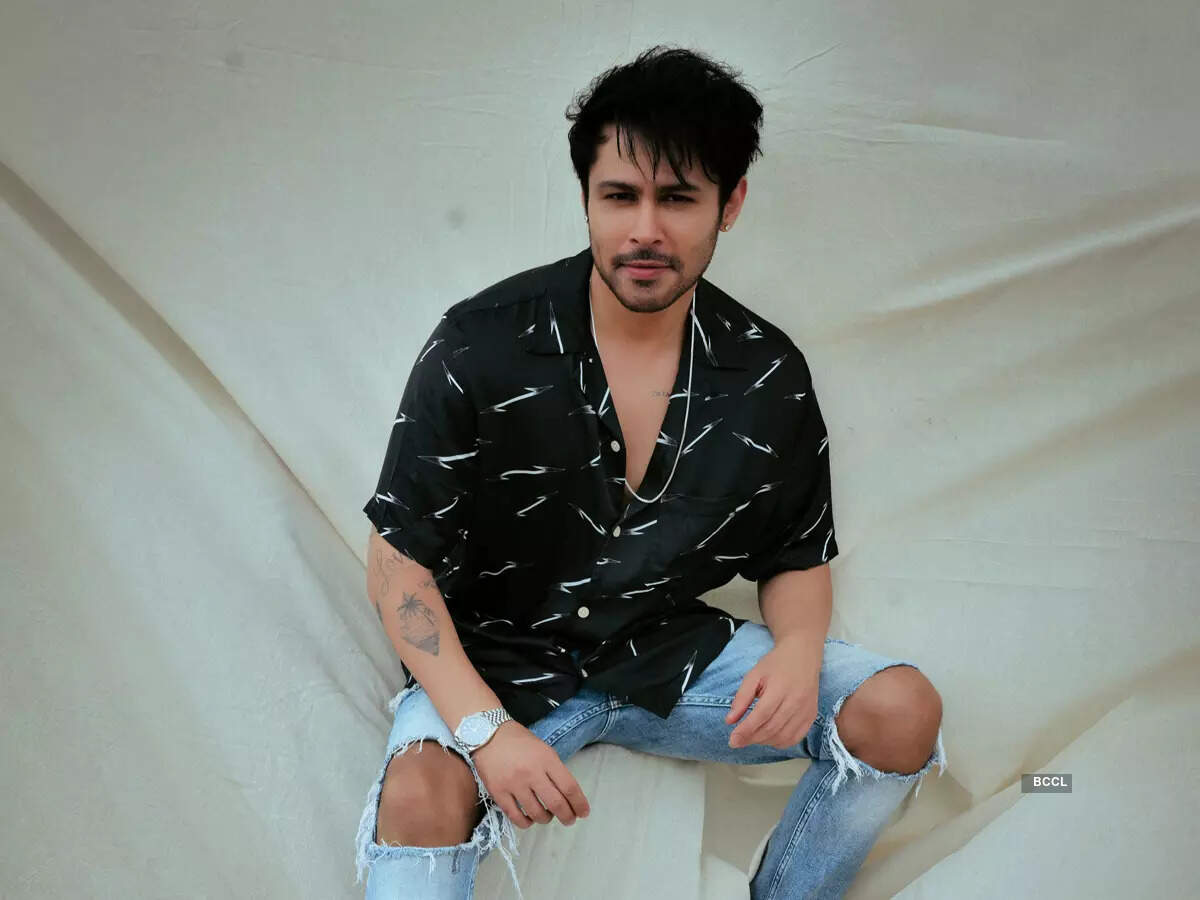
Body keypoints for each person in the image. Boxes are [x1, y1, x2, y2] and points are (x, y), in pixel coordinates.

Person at [354, 44, 947, 900]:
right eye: (619, 196)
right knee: (418, 794)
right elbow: (396, 564)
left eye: (677, 199)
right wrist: (485, 732)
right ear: (586, 198)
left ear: (729, 204)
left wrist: (798, 648)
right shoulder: (480, 343)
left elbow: (795, 553)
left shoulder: (766, 373)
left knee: (901, 711)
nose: (645, 231)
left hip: (665, 654)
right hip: (497, 659)